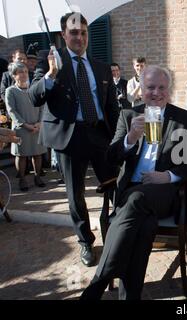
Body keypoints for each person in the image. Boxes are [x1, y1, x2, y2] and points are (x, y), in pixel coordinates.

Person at [80, 65, 187, 300]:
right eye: (150, 87)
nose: (156, 93)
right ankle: (130, 297)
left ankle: (98, 283)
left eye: (161, 88)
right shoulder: (128, 115)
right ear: (140, 90)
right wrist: (130, 139)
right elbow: (110, 158)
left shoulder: (184, 118)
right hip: (131, 190)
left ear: (169, 90)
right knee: (144, 227)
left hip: (164, 192)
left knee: (136, 200)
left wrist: (167, 176)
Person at [28, 12, 119, 267]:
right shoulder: (49, 64)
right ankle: (86, 242)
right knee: (75, 194)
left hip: (99, 133)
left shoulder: (100, 67)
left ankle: (122, 229)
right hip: (68, 138)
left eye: (84, 32)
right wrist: (51, 74)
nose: (80, 37)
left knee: (115, 184)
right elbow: (35, 97)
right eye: (74, 32)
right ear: (63, 35)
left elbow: (112, 107)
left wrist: (118, 138)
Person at [5, 62, 47, 191]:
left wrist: (39, 122)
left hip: (37, 127)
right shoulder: (10, 91)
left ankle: (37, 177)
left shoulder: (33, 88)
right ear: (14, 76)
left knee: (37, 154)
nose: (24, 74)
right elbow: (12, 111)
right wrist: (26, 125)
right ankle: (22, 179)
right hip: (21, 128)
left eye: (25, 71)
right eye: (20, 72)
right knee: (21, 155)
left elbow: (42, 106)